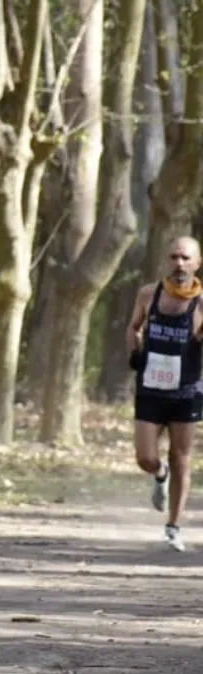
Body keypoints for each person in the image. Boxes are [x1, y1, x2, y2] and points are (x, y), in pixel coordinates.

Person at [126, 235, 203, 552]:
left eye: (186, 258)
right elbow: (133, 327)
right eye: (174, 257)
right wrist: (134, 352)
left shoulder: (201, 302)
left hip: (186, 390)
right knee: (145, 457)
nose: (179, 263)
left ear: (197, 264)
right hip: (151, 387)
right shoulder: (149, 294)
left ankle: (173, 526)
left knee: (182, 457)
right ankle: (160, 474)